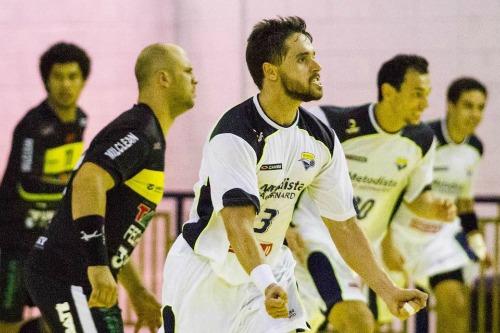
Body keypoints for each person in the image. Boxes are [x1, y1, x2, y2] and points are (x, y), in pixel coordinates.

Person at [160, 17, 427, 333]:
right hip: (209, 273)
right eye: (302, 59)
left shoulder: (321, 139)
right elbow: (237, 224)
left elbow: (344, 225)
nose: (317, 66)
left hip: (271, 272)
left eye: (313, 56)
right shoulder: (235, 133)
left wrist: (387, 289)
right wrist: (264, 281)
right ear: (270, 71)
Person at [24, 43, 197, 333]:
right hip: (67, 275)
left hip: (87, 278)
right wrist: (96, 266)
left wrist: (138, 292)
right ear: (164, 78)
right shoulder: (139, 131)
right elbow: (88, 181)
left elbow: (112, 231)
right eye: (187, 71)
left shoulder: (150, 134)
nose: (195, 78)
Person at [288, 54, 457, 332]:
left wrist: (435, 208)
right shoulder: (331, 123)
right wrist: (288, 225)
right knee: (358, 321)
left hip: (361, 252)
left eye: (427, 94)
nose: (425, 103)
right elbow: (290, 174)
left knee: (309, 324)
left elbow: (416, 198)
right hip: (316, 239)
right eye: (417, 94)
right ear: (389, 91)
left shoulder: (422, 140)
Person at [0, 42, 90, 333]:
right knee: (8, 320)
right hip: (16, 241)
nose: (66, 85)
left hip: (53, 243)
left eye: (72, 76)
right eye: (58, 77)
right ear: (46, 81)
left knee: (58, 318)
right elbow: (27, 182)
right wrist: (75, 187)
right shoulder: (32, 124)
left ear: (83, 79)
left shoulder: (80, 120)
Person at [389, 77, 489, 333]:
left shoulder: (475, 148)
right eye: (468, 105)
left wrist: (478, 244)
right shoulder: (423, 137)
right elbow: (392, 190)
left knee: (455, 301)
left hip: (438, 238)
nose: (475, 114)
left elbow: (465, 201)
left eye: (480, 107)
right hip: (402, 231)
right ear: (450, 105)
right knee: (382, 314)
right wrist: (386, 240)